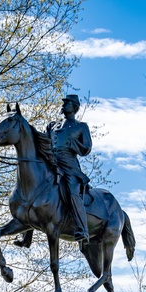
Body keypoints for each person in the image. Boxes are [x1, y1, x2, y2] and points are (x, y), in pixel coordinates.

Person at [46, 94, 92, 242]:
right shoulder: (52, 126)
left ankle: (82, 229)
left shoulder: (81, 127)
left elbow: (86, 149)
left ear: (74, 107)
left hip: (69, 165)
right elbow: (44, 143)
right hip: (52, 163)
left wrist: (73, 143)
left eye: (67, 103)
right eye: (63, 103)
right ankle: (26, 234)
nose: (63, 105)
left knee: (73, 192)